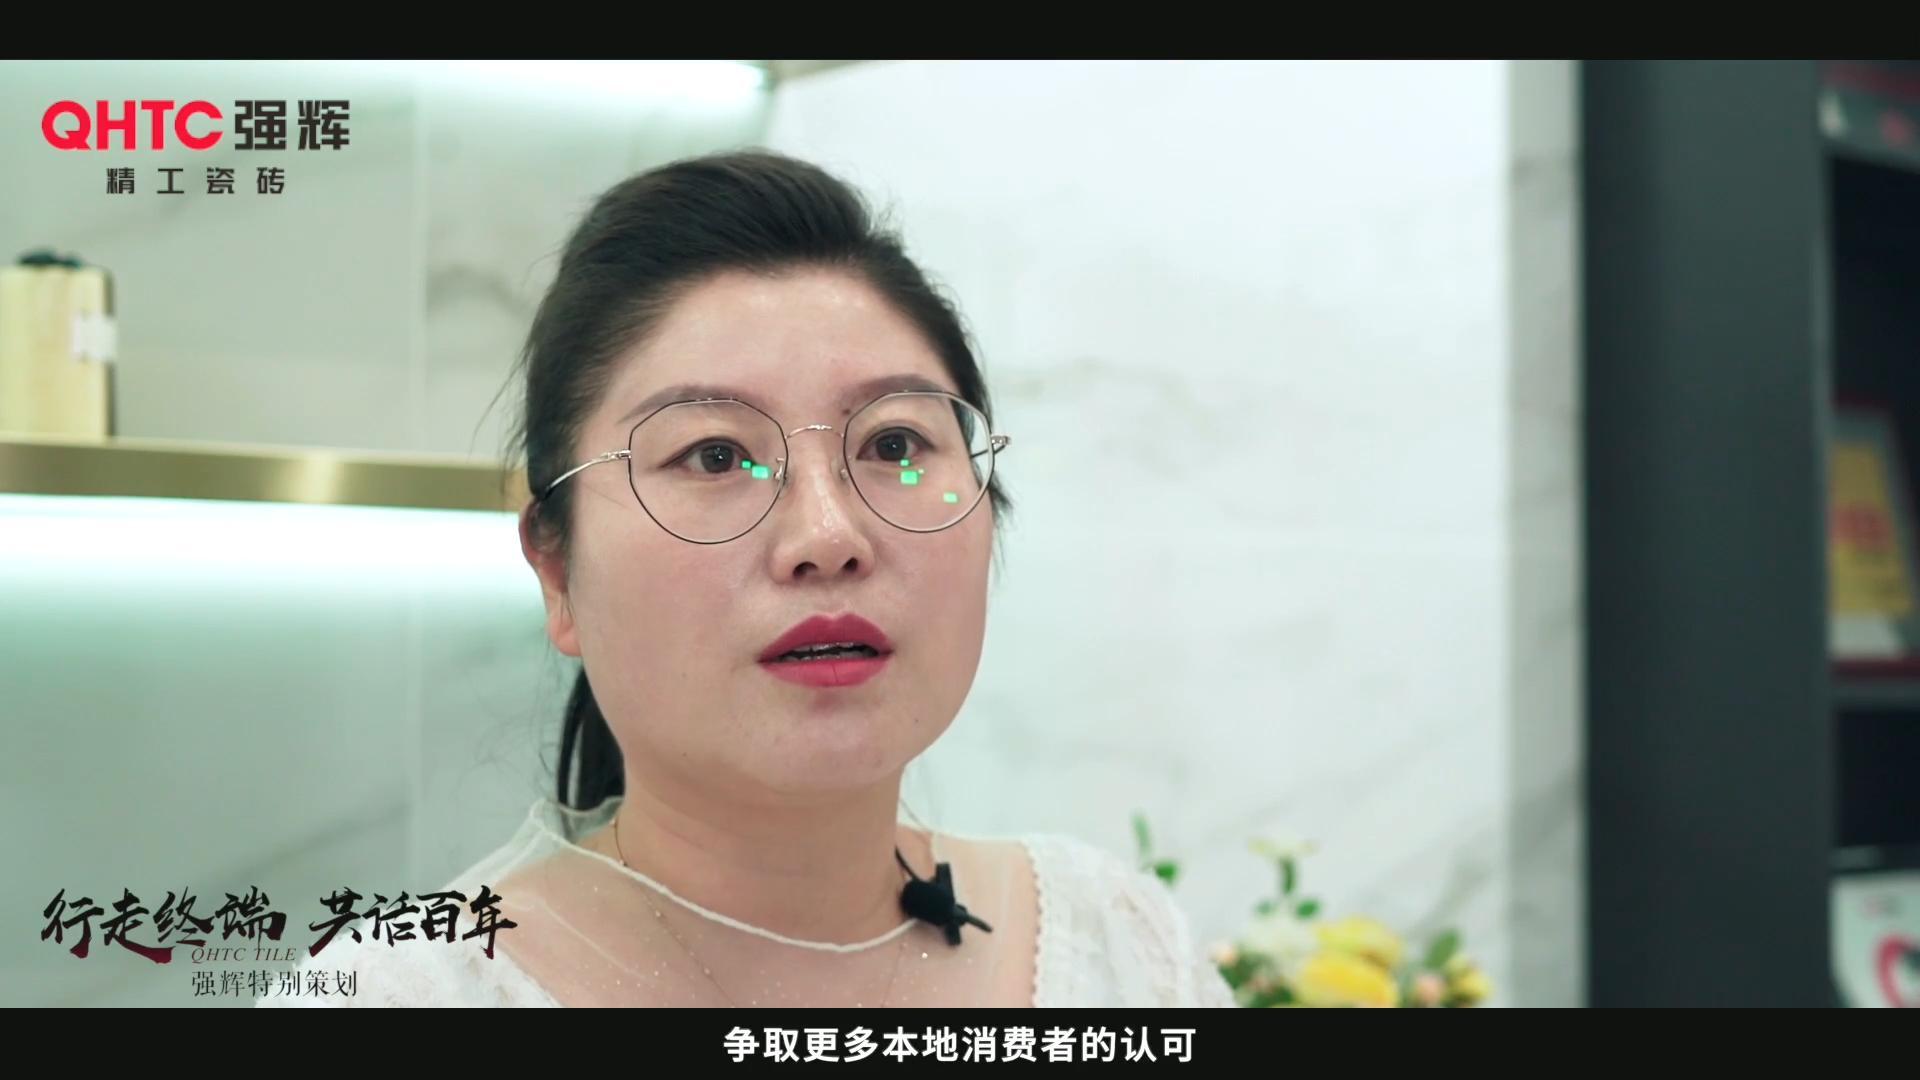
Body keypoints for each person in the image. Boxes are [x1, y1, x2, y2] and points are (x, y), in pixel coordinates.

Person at [262, 149, 1235, 1008]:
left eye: (895, 443)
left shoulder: (1119, 948)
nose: (828, 536)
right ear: (557, 571)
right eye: (716, 455)